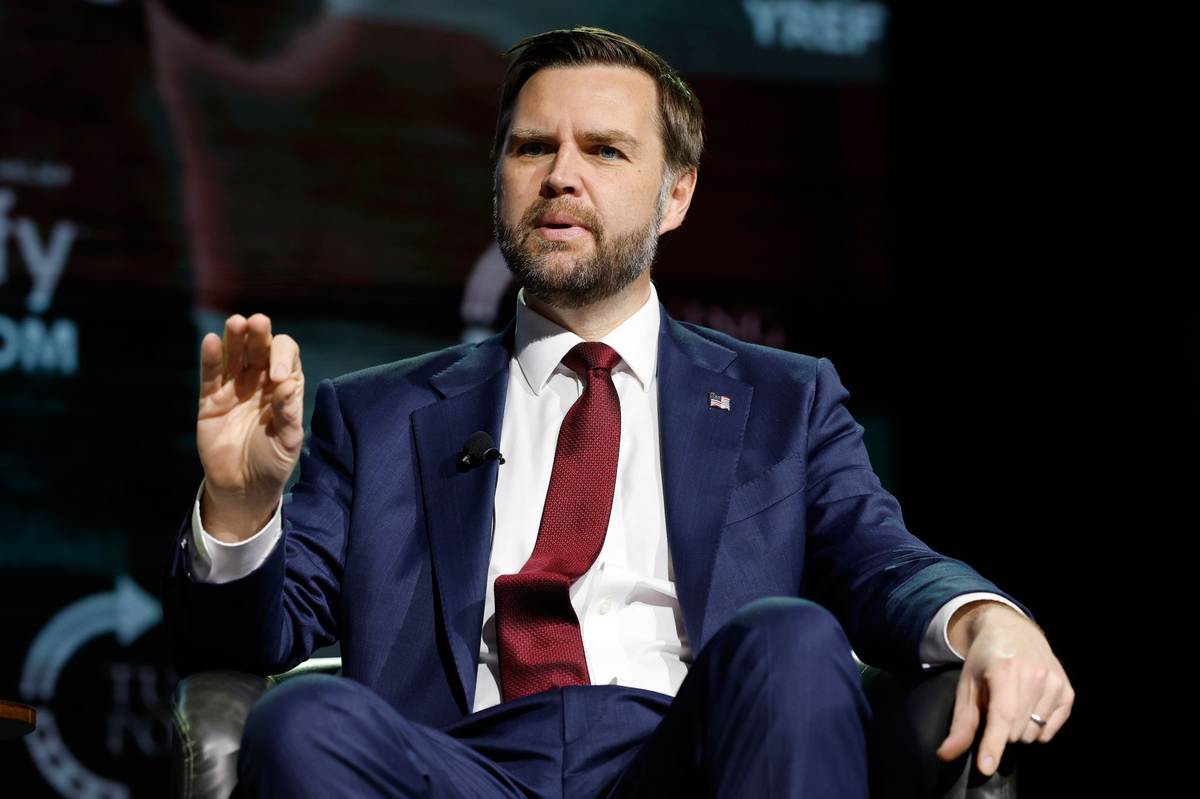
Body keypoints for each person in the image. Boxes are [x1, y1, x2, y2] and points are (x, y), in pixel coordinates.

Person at [163, 27, 1073, 798]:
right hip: (458, 767)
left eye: (604, 150)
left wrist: (986, 618)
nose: (561, 175)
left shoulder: (785, 401)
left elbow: (882, 561)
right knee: (303, 718)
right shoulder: (376, 415)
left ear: (676, 194)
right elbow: (243, 640)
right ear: (497, 179)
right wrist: (240, 507)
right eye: (532, 148)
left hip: (692, 759)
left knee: (793, 637)